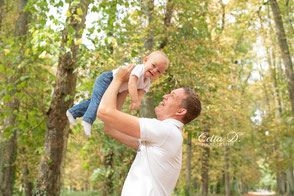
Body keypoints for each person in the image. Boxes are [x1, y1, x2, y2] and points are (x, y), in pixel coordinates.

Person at [97, 64, 202, 196]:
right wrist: (124, 90)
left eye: (172, 96)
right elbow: (110, 128)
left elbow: (104, 112)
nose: (165, 96)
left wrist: (117, 79)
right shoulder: (163, 138)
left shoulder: (166, 131)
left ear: (181, 111)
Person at [66, 51, 169, 137]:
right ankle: (87, 120)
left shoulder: (147, 83)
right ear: (145, 60)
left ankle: (73, 112)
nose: (154, 70)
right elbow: (131, 84)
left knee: (93, 101)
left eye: (159, 71)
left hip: (115, 89)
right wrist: (134, 100)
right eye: (153, 65)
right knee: (97, 102)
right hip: (107, 79)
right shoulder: (139, 69)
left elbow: (140, 94)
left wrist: (137, 102)